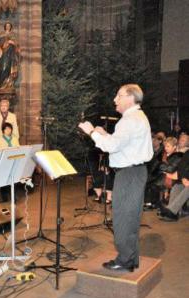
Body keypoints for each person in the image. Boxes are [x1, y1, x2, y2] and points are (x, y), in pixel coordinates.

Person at [79, 84, 153, 272]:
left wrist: (91, 132)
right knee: (131, 217)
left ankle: (125, 260)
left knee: (122, 218)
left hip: (128, 174)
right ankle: (131, 258)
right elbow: (122, 143)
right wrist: (106, 135)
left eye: (118, 96)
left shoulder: (129, 120)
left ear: (130, 97)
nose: (115, 100)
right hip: (135, 172)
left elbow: (111, 147)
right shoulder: (137, 117)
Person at [158, 150, 189, 221]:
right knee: (177, 185)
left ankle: (170, 211)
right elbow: (182, 167)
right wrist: (184, 178)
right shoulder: (187, 152)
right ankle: (172, 214)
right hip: (185, 177)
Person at [0, 22, 20, 90]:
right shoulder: (1, 34)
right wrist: (4, 43)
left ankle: (8, 84)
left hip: (11, 54)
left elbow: (17, 45)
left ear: (10, 27)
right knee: (3, 68)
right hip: (3, 54)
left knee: (9, 68)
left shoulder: (13, 35)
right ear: (5, 26)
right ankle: (1, 84)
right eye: (6, 26)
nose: (8, 27)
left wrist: (12, 43)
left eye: (9, 26)